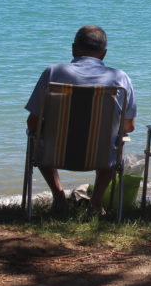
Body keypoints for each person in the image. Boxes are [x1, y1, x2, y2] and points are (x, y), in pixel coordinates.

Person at [25, 25, 136, 216]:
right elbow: (129, 126)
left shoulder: (53, 73)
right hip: (101, 156)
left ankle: (59, 198)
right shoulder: (120, 78)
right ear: (103, 54)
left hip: (55, 153)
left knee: (38, 136)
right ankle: (96, 202)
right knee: (116, 141)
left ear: (74, 48)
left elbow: (32, 123)